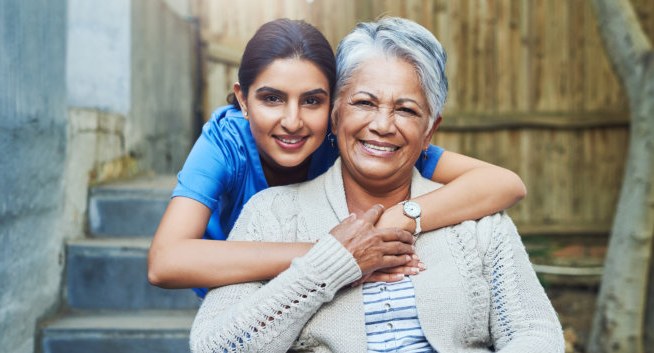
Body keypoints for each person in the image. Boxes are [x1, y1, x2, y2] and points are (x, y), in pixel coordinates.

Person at [189, 17, 564, 353]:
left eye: (406, 110)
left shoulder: (479, 222)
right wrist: (330, 264)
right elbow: (216, 346)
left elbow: (535, 331)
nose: (383, 125)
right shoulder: (271, 213)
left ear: (430, 130)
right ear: (335, 115)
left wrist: (403, 218)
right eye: (365, 103)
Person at [147, 18, 527, 297]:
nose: (292, 121)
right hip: (241, 292)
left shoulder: (353, 140)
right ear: (243, 99)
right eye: (271, 98)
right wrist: (334, 253)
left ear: (333, 107)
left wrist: (396, 220)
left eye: (311, 100)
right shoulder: (226, 141)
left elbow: (504, 183)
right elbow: (165, 261)